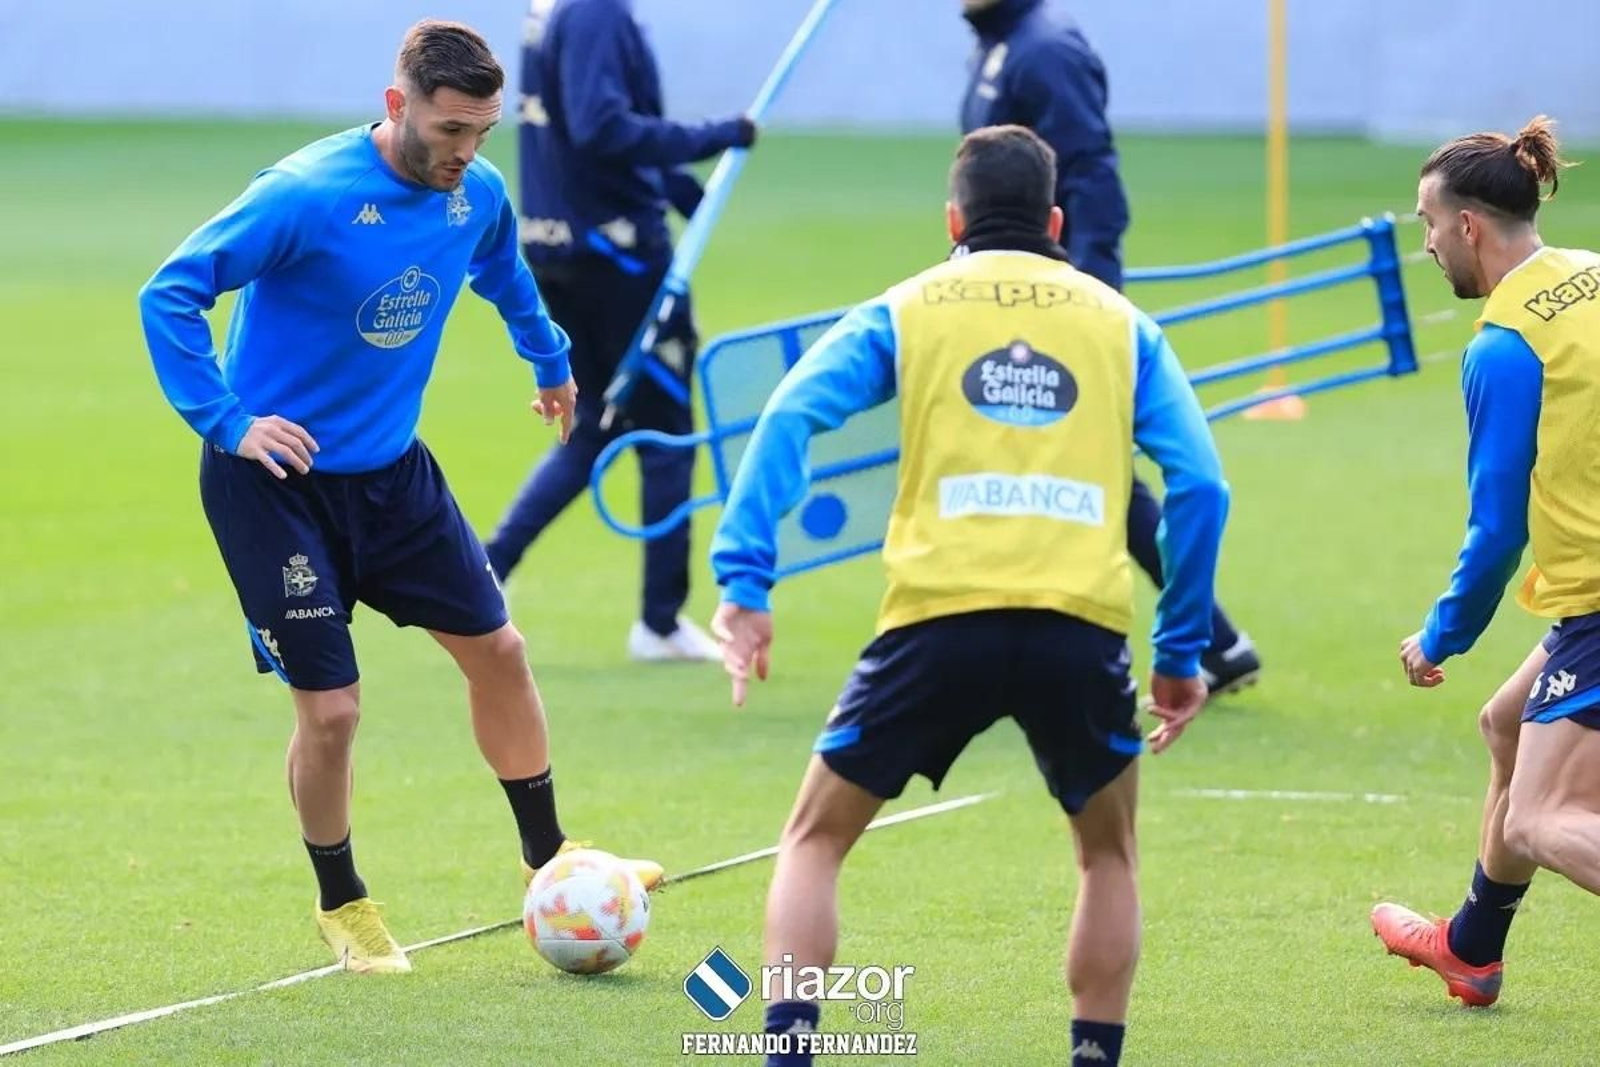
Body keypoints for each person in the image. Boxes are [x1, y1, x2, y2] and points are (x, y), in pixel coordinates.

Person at [138, 19, 661, 975]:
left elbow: (503, 272)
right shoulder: (304, 195)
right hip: (275, 485)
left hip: (393, 474)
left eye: (483, 132)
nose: (466, 152)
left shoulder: (478, 194)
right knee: (332, 710)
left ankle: (551, 862)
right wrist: (227, 420)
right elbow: (169, 292)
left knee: (500, 651)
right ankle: (344, 904)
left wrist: (549, 360)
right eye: (450, 129)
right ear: (397, 106)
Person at [710, 125, 1228, 1067]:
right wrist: (1181, 651)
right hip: (1081, 630)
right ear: (1058, 222)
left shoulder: (907, 309)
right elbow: (1201, 486)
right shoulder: (1121, 324)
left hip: (934, 624)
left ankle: (789, 1050)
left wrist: (747, 581)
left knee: (814, 841)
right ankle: (1092, 1055)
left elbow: (790, 411)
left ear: (952, 219)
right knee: (1107, 856)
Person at [959, 0, 1261, 696]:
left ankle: (1197, 640)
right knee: (1083, 468)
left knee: (1071, 461)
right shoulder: (1003, 44)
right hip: (1009, 289)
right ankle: (1215, 640)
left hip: (1047, 299)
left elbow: (1092, 179)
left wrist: (1080, 299)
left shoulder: (1045, 52)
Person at [1372, 116, 1596, 1008]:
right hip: (1585, 607)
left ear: (1467, 225)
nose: (1426, 244)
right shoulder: (1586, 273)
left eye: (1427, 223)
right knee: (1506, 726)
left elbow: (1496, 527)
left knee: (1542, 818)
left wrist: (1440, 635)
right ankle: (1471, 947)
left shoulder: (1504, 345)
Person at [482, 0, 757, 662]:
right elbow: (602, 125)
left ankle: (486, 570)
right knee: (664, 432)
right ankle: (659, 623)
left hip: (563, 244)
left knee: (598, 424)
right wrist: (713, 135)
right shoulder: (597, 9)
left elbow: (581, 132)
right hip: (618, 255)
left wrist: (677, 186)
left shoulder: (555, 8)